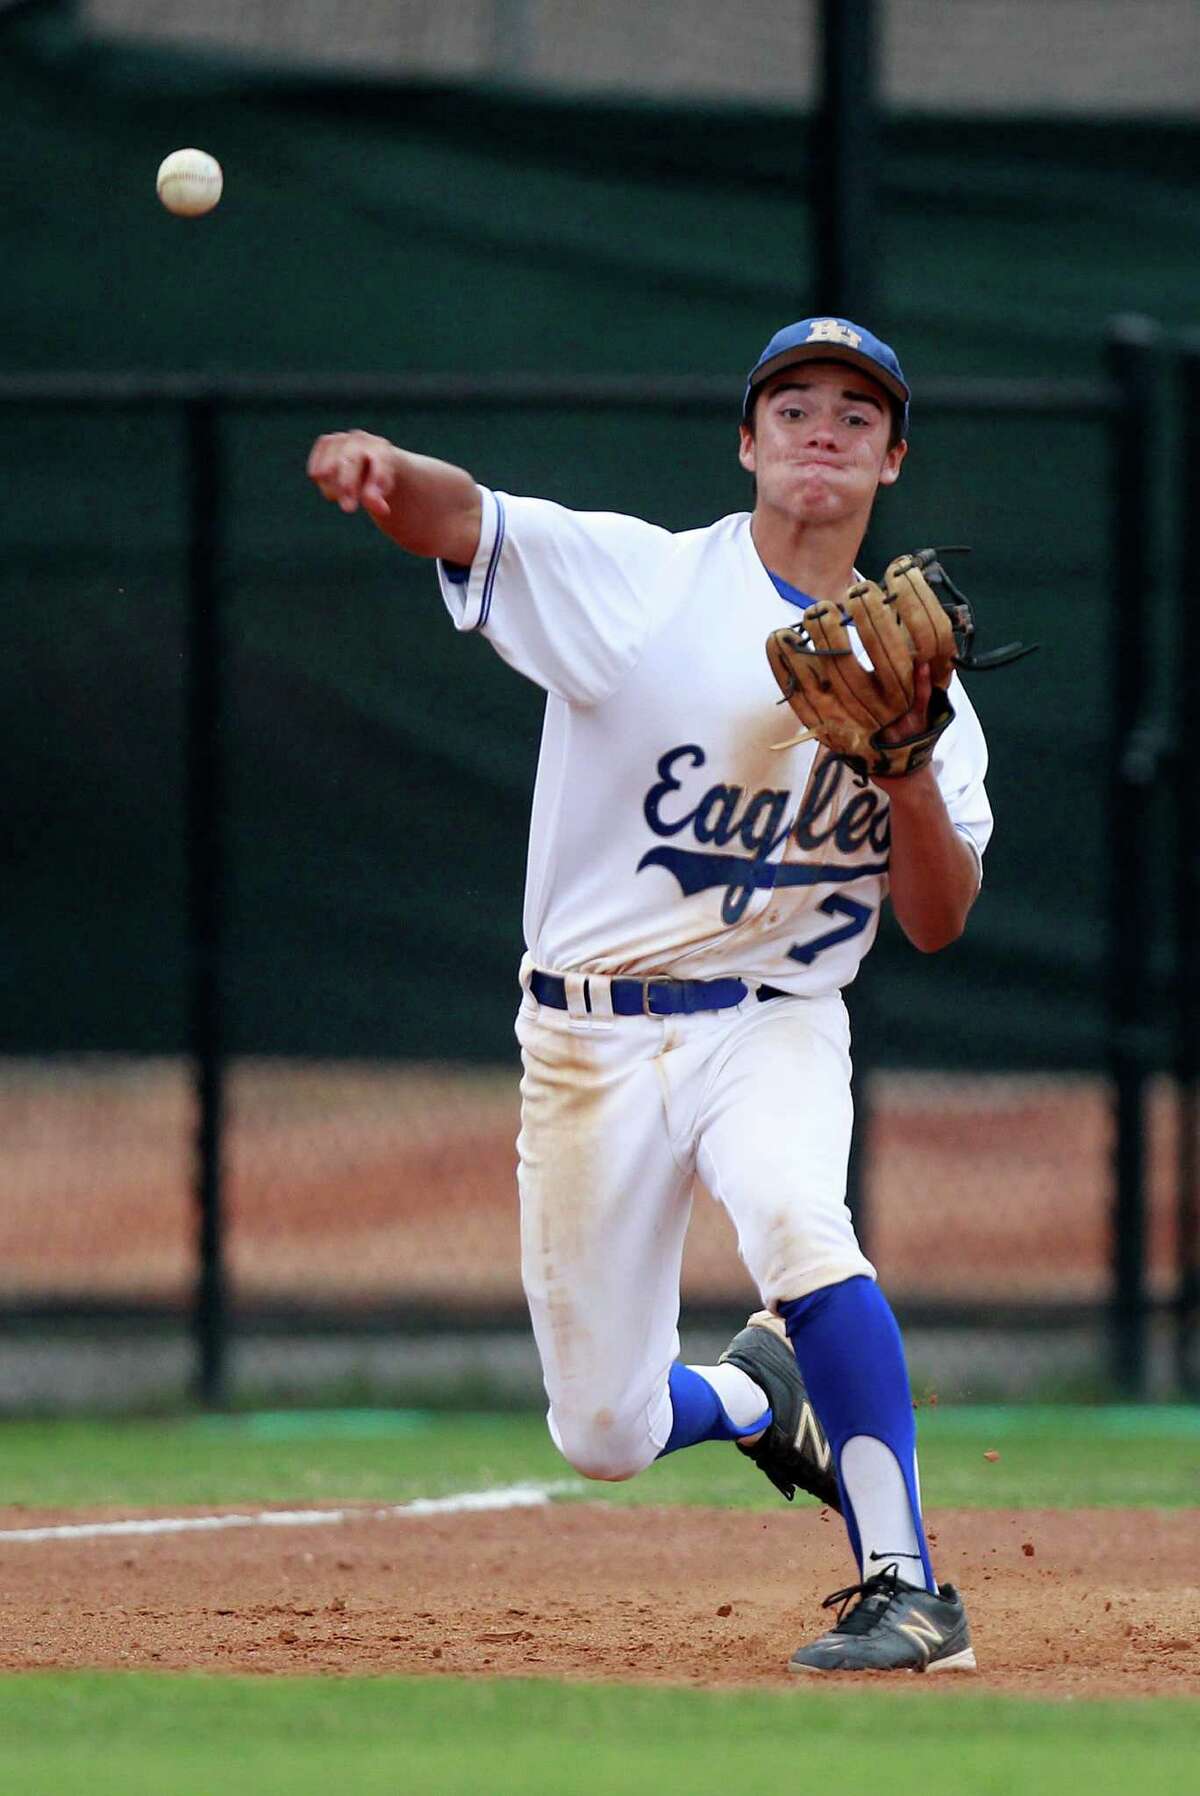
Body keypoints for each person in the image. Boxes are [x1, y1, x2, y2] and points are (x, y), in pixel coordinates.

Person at [307, 317, 985, 1674]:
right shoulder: (645, 584)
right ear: (747, 442)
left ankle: (910, 1590)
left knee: (800, 1221)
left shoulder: (932, 697)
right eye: (794, 407)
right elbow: (473, 525)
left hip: (771, 1018)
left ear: (891, 461)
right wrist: (387, 470)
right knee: (602, 1433)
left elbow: (936, 918)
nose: (823, 431)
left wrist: (908, 771)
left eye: (857, 416)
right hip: (585, 1041)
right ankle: (754, 1393)